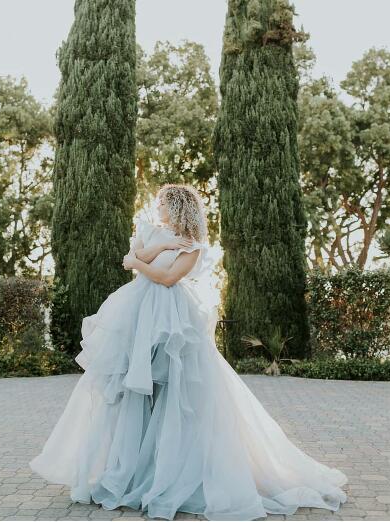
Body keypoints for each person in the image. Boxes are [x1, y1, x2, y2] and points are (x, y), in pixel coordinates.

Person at [29, 183, 348, 521]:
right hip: (138, 317)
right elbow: (133, 258)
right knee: (134, 393)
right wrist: (159, 245)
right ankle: (136, 472)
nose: (159, 208)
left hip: (171, 322)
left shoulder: (194, 246)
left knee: (173, 392)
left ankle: (171, 473)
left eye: (164, 204)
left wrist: (141, 260)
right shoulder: (155, 232)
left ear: (178, 207)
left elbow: (166, 278)